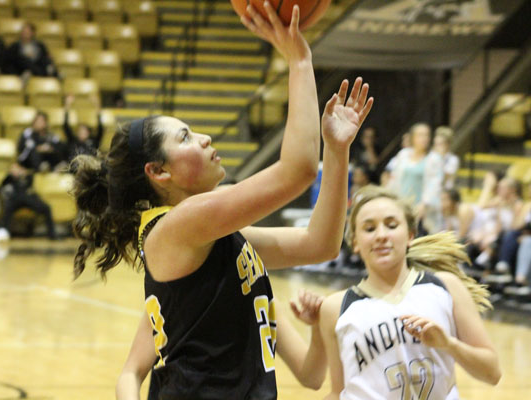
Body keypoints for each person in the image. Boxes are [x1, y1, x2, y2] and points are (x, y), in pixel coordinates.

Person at [70, 3, 374, 399]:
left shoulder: (216, 237)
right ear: (159, 173)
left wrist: (336, 152)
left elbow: (320, 244)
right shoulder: (178, 227)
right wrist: (299, 60)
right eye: (184, 138)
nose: (204, 139)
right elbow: (297, 171)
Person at [316, 185, 500, 400]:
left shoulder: (446, 287)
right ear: (355, 242)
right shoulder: (335, 308)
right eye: (369, 229)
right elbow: (338, 392)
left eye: (391, 225)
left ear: (410, 234)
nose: (381, 235)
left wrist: (449, 344)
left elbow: (492, 373)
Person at [117, 290, 328, 399]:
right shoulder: (175, 294)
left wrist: (317, 327)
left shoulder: (260, 297)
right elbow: (131, 373)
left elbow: (311, 376)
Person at [387, 123, 443, 234]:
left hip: (421, 209)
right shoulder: (403, 154)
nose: (424, 138)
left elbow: (435, 185)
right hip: (401, 204)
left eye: (427, 135)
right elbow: (394, 179)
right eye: (420, 135)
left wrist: (424, 204)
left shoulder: (434, 159)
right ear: (413, 137)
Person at [0, 162, 57, 240]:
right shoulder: (10, 178)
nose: (15, 170)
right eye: (13, 168)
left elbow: (30, 184)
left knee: (46, 208)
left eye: (16, 168)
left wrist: (23, 174)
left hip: (28, 199)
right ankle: (4, 234)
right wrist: (11, 175)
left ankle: (52, 235)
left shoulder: (28, 176)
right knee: (7, 209)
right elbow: (1, 185)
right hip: (16, 199)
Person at [63, 95, 103, 159]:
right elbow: (65, 126)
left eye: (84, 131)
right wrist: (67, 105)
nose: (82, 132)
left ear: (89, 132)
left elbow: (101, 128)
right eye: (80, 131)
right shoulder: (73, 141)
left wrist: (97, 106)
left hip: (91, 166)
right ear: (77, 133)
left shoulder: (94, 141)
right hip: (76, 166)